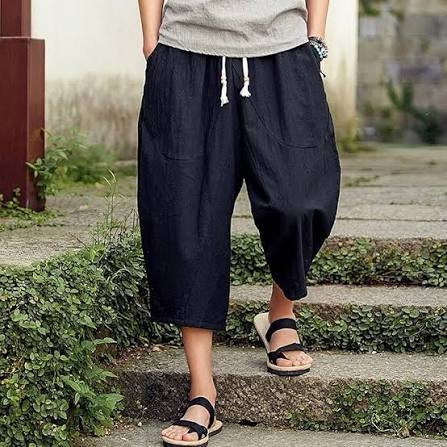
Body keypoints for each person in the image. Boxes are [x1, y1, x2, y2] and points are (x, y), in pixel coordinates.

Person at [136, 1, 340, 445]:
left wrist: (315, 38)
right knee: (185, 219)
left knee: (300, 201)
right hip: (186, 53)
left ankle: (279, 313)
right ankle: (202, 392)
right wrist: (152, 42)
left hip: (283, 53)